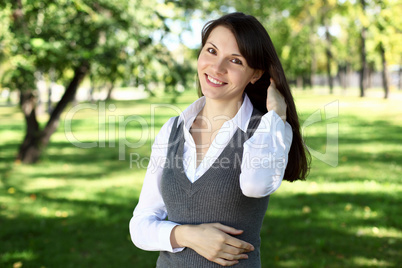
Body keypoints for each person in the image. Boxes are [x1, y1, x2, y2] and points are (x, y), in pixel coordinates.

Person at [129, 12, 310, 267]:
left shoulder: (264, 130)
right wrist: (186, 235)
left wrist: (278, 116)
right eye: (211, 51)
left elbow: (256, 185)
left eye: (235, 60)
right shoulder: (172, 129)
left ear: (255, 74)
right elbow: (141, 224)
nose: (217, 68)